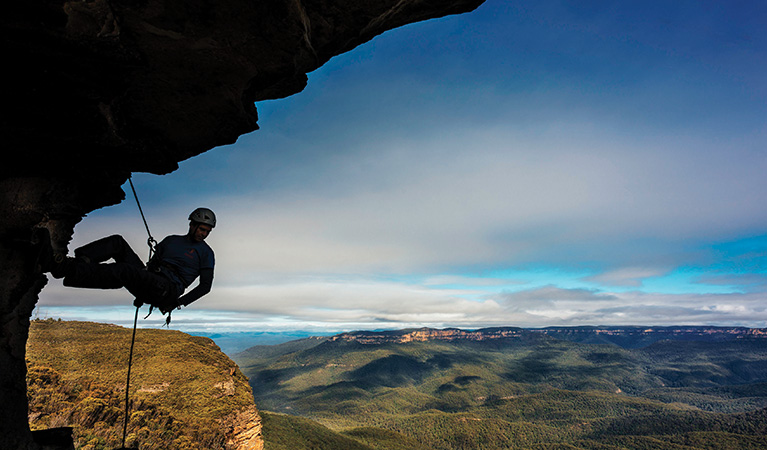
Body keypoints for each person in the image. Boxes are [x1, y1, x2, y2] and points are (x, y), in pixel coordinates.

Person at [38, 208, 216, 314]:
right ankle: (76, 263)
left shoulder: (206, 253)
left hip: (168, 289)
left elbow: (205, 286)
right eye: (201, 229)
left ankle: (61, 267)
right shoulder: (171, 241)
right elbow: (153, 264)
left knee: (125, 270)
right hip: (151, 278)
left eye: (207, 231)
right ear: (192, 225)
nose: (204, 234)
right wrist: (142, 287)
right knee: (117, 243)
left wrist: (177, 303)